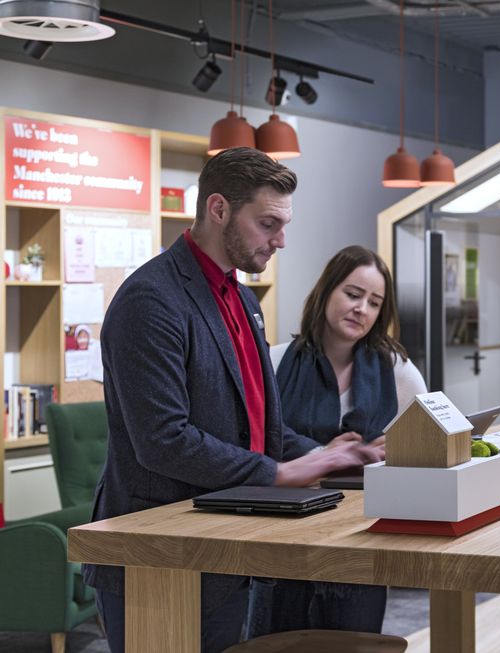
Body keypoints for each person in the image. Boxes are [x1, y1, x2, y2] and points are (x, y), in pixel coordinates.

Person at [83, 148, 383, 653]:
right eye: (268, 224)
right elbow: (162, 441)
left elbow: (258, 425)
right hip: (159, 550)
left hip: (226, 544)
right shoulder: (150, 300)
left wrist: (329, 455)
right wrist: (277, 474)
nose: (280, 240)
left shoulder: (243, 298)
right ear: (218, 209)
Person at [246, 245, 426, 638]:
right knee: (273, 643)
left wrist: (395, 452)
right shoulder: (274, 361)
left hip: (360, 543)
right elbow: (256, 440)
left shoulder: (399, 371)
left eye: (374, 302)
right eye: (352, 293)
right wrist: (323, 455)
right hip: (280, 539)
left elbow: (424, 444)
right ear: (327, 291)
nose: (362, 308)